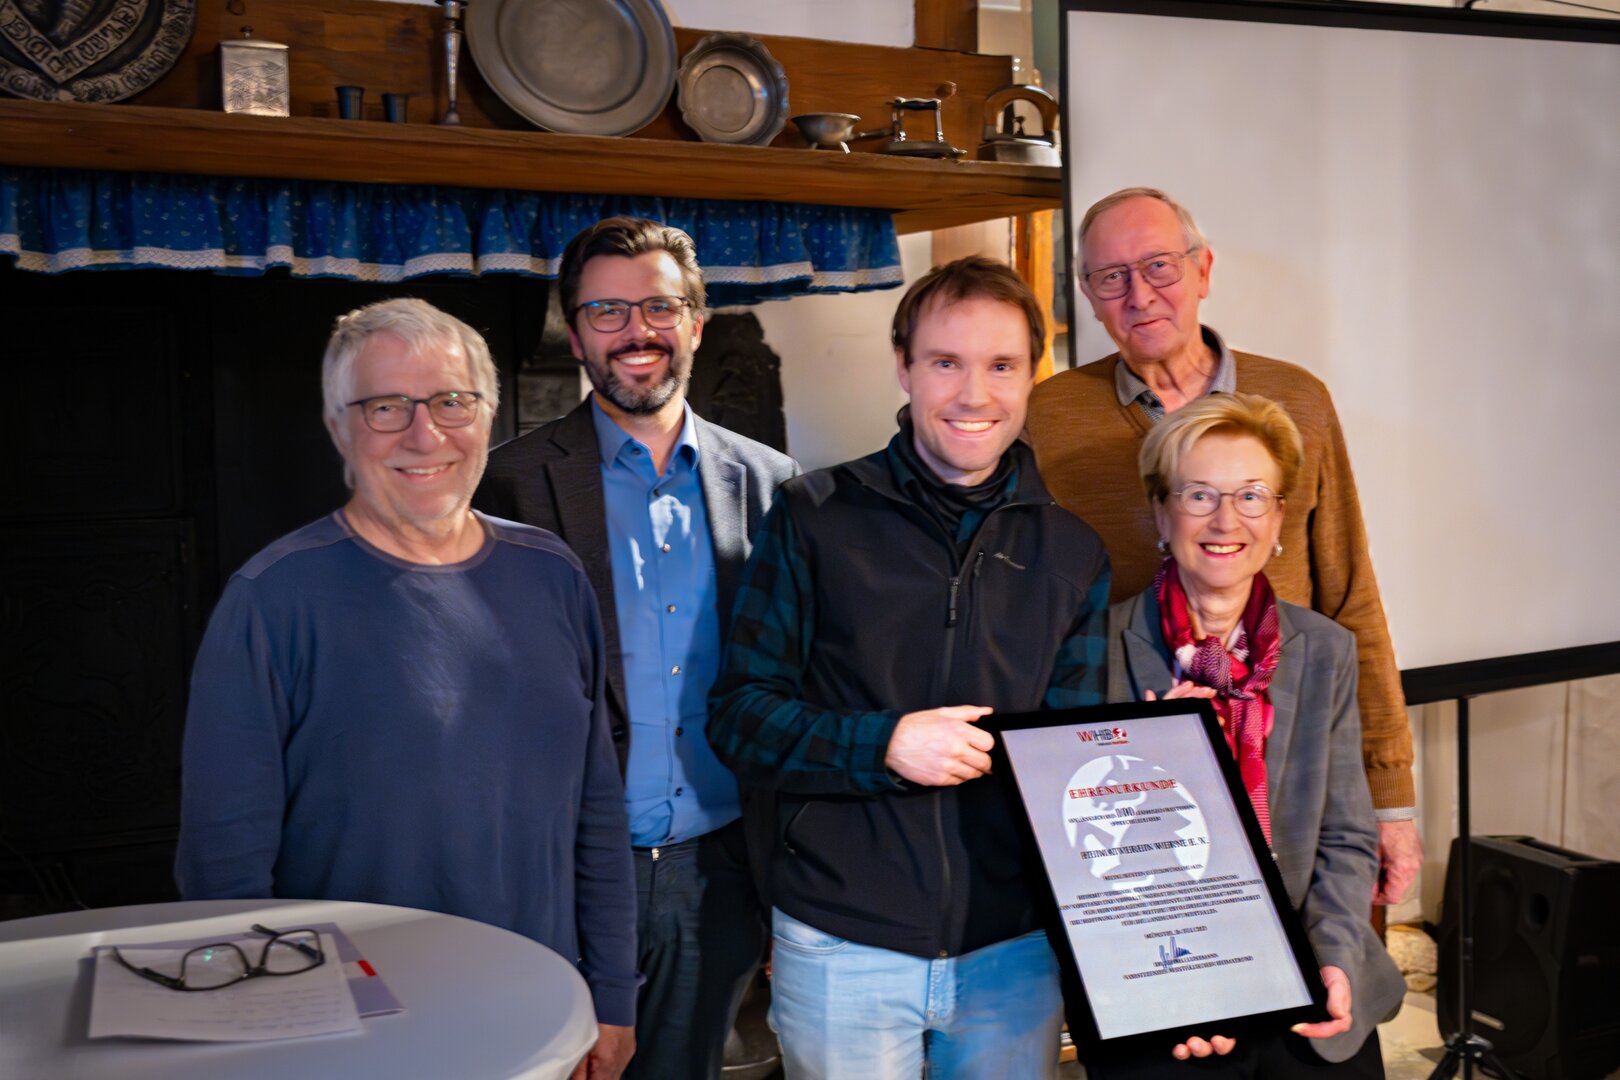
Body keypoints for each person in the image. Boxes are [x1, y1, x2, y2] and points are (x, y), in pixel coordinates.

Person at [175, 298, 637, 1080]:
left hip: (541, 1010)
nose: (425, 435)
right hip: (349, 1037)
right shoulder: (272, 599)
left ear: (487, 416)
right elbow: (224, 868)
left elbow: (596, 803)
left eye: (453, 402)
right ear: (338, 427)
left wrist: (614, 994)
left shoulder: (552, 574)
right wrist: (262, 1040)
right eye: (387, 407)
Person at [708, 256, 1112, 1080]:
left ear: (1031, 375)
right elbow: (740, 716)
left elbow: (1075, 761)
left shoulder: (1074, 554)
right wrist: (883, 745)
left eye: (1001, 366)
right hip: (841, 942)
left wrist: (1159, 748)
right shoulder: (814, 517)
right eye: (946, 363)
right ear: (904, 366)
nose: (974, 394)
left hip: (1013, 952)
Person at [1024, 187, 1421, 906]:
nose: (1139, 294)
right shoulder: (1047, 418)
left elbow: (1351, 593)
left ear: (1203, 270)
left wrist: (1389, 797)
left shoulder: (1298, 400)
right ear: (1087, 293)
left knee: (1318, 953)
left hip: (1298, 761)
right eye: (1111, 277)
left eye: (1160, 266)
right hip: (1131, 773)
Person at [475, 217, 797, 1080]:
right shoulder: (504, 486)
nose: (635, 332)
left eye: (659, 306)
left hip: (721, 867)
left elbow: (797, 685)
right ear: (576, 332)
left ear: (696, 321)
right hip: (567, 869)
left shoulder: (773, 485)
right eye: (607, 311)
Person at [1089, 392, 1404, 1078]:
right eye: (1199, 495)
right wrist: (1154, 759)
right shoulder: (1094, 650)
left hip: (1306, 972)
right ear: (1160, 513)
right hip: (1166, 988)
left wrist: (1333, 959)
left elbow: (1346, 836)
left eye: (1252, 496)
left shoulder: (1324, 649)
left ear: (1279, 517)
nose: (1227, 520)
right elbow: (1086, 857)